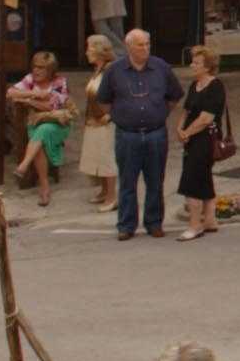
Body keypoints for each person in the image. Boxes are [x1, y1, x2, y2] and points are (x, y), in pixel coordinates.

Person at [95, 29, 181, 242]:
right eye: (140, 45)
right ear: (129, 47)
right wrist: (121, 116)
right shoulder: (114, 71)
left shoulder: (161, 67)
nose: (145, 48)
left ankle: (154, 223)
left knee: (155, 180)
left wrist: (158, 113)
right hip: (127, 135)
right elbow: (104, 101)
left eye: (147, 44)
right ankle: (126, 225)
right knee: (127, 181)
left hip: (156, 134)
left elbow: (174, 96)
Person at [174, 46, 225, 242]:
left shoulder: (216, 86)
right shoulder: (194, 85)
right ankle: (210, 220)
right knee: (204, 177)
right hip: (191, 138)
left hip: (205, 139)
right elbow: (187, 111)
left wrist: (187, 132)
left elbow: (206, 118)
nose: (191, 65)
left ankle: (195, 225)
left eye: (196, 63)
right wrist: (180, 128)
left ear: (207, 66)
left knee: (191, 180)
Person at [7, 51, 71, 208]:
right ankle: (44, 187)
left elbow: (50, 106)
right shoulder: (30, 80)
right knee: (40, 138)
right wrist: (34, 94)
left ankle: (25, 166)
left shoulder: (60, 82)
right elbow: (10, 93)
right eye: (35, 66)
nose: (36, 71)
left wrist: (28, 101)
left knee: (42, 131)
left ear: (50, 70)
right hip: (36, 123)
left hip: (57, 124)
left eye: (41, 68)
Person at [76, 35, 118, 214]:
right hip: (93, 121)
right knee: (97, 158)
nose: (86, 52)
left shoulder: (111, 70)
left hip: (106, 123)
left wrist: (110, 116)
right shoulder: (98, 69)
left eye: (89, 48)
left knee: (107, 160)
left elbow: (120, 96)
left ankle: (112, 197)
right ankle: (103, 191)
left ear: (99, 51)